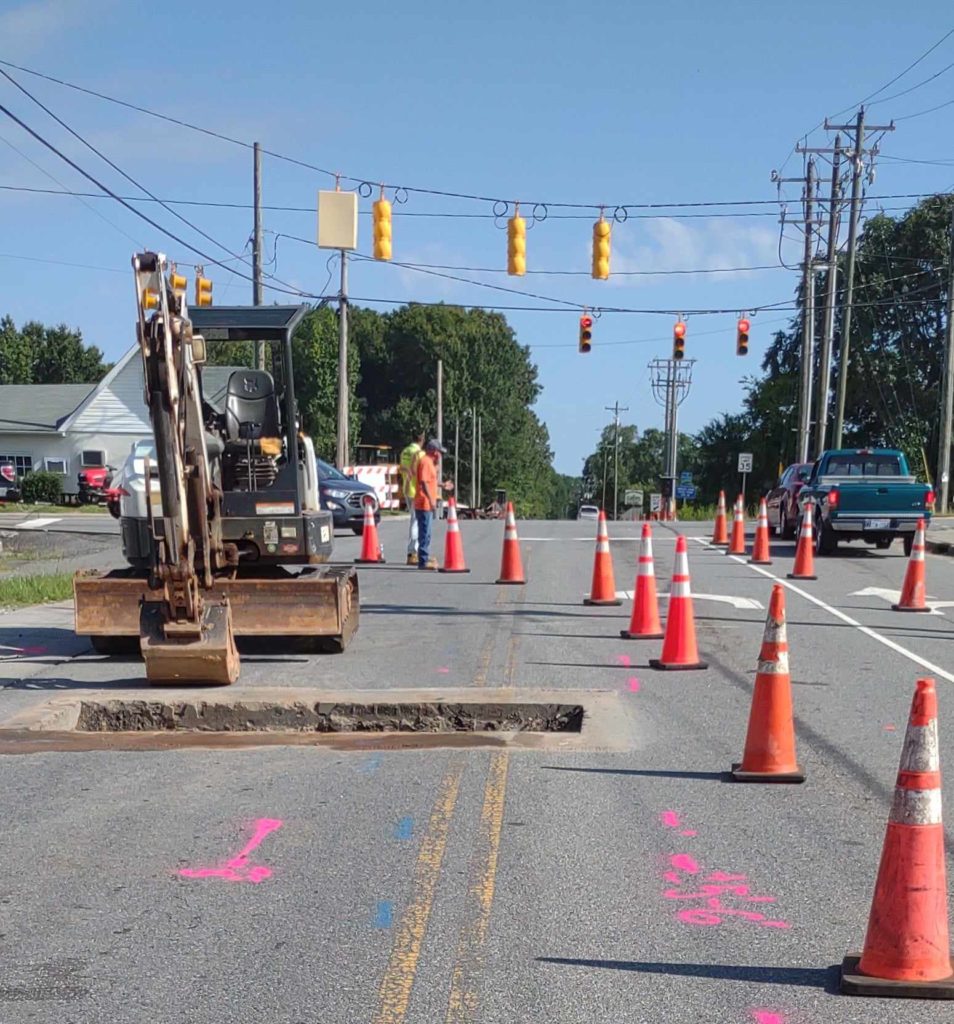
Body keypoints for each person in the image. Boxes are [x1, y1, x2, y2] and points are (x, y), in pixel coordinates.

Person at [414, 438, 452, 570]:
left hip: (426, 502)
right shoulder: (425, 462)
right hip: (424, 502)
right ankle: (423, 560)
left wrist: (442, 485)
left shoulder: (430, 463)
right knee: (425, 532)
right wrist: (431, 499)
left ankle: (424, 557)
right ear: (434, 451)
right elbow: (423, 482)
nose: (440, 455)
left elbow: (430, 481)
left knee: (427, 532)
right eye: (439, 452)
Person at [399, 430, 425, 565]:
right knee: (416, 521)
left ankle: (413, 551)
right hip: (417, 491)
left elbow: (401, 468)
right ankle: (412, 551)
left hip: (407, 489)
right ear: (422, 439)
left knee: (414, 519)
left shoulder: (405, 451)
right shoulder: (420, 454)